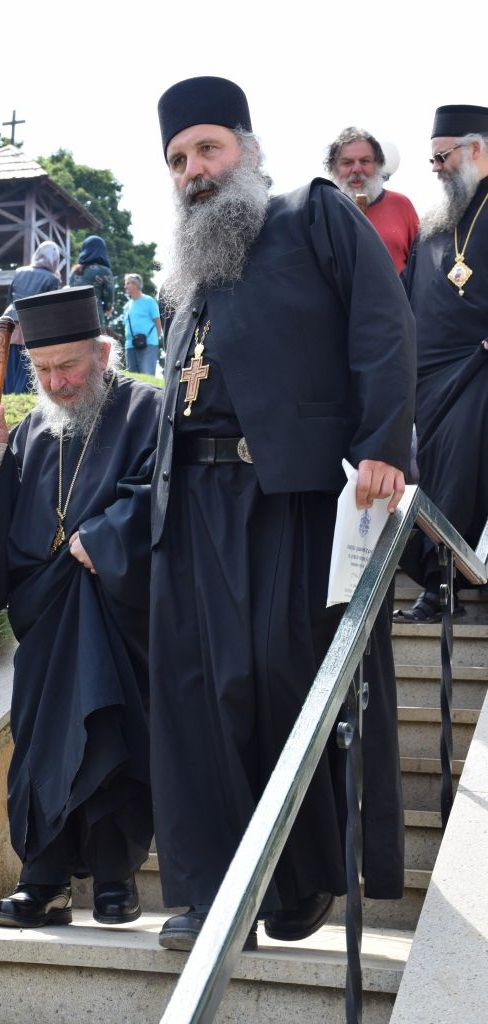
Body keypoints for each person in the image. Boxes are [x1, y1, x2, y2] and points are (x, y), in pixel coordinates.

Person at [150, 76, 416, 952]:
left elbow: (383, 324)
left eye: (208, 148)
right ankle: (210, 895)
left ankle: (297, 878)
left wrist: (383, 443)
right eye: (178, 159)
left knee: (280, 680)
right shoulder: (186, 273)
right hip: (192, 511)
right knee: (199, 701)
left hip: (288, 498)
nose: (194, 170)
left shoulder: (313, 214)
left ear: (247, 148)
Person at [0, 286, 161, 930]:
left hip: (115, 609)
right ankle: (43, 880)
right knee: (37, 747)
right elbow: (4, 526)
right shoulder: (34, 427)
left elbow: (164, 493)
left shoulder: (147, 410)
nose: (57, 383)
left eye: (70, 367)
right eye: (45, 370)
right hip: (44, 613)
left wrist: (108, 535)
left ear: (103, 354)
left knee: (109, 735)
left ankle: (116, 877)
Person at [395, 104, 488, 622]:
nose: (435, 168)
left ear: (476, 148)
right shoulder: (433, 226)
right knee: (436, 475)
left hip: (480, 371)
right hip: (430, 382)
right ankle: (442, 581)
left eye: (442, 156)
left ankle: (443, 584)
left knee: (463, 473)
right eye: (431, 159)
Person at [325, 127, 419, 273]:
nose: (357, 169)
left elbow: (420, 267)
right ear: (333, 169)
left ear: (378, 165)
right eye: (347, 163)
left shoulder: (401, 205)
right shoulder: (322, 211)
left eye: (365, 161)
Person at [3, 240, 62, 394]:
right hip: (35, 325)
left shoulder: (19, 272)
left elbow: (9, 299)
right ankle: (20, 395)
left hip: (11, 322)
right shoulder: (53, 279)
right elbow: (54, 310)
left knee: (9, 364)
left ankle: (8, 395)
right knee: (29, 365)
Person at [122, 273, 163, 375]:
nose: (125, 286)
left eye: (128, 283)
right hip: (130, 345)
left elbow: (158, 321)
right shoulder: (126, 306)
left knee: (147, 375)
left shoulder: (149, 301)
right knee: (133, 378)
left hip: (149, 343)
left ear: (136, 284)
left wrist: (156, 337)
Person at [69, 235, 114, 328]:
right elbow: (109, 299)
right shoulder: (105, 271)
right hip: (93, 317)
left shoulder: (74, 271)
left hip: (73, 317)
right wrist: (107, 309)